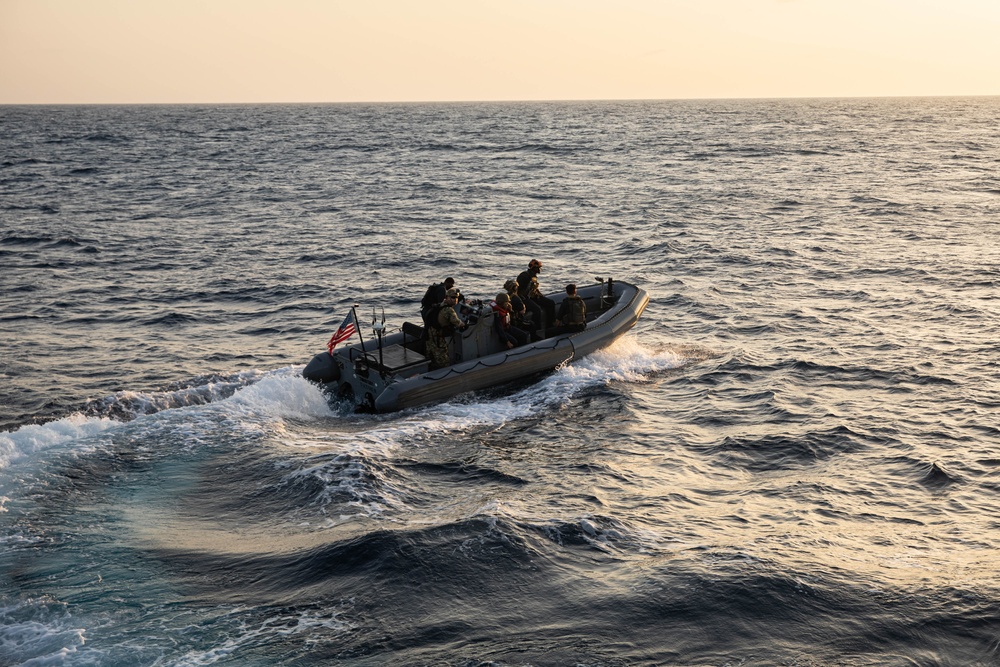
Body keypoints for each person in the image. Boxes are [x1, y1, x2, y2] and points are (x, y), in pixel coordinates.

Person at [425, 288, 466, 369]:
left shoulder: (440, 305)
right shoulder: (449, 310)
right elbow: (458, 323)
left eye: (456, 298)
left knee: (431, 357)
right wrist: (464, 324)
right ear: (447, 297)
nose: (455, 300)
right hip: (438, 338)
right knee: (444, 361)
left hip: (430, 336)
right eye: (453, 297)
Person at [515, 259, 555, 336]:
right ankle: (537, 331)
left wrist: (540, 296)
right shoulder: (524, 276)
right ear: (534, 268)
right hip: (524, 298)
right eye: (538, 268)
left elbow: (534, 289)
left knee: (550, 303)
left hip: (533, 296)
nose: (540, 270)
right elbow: (518, 290)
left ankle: (550, 326)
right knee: (537, 310)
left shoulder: (533, 277)